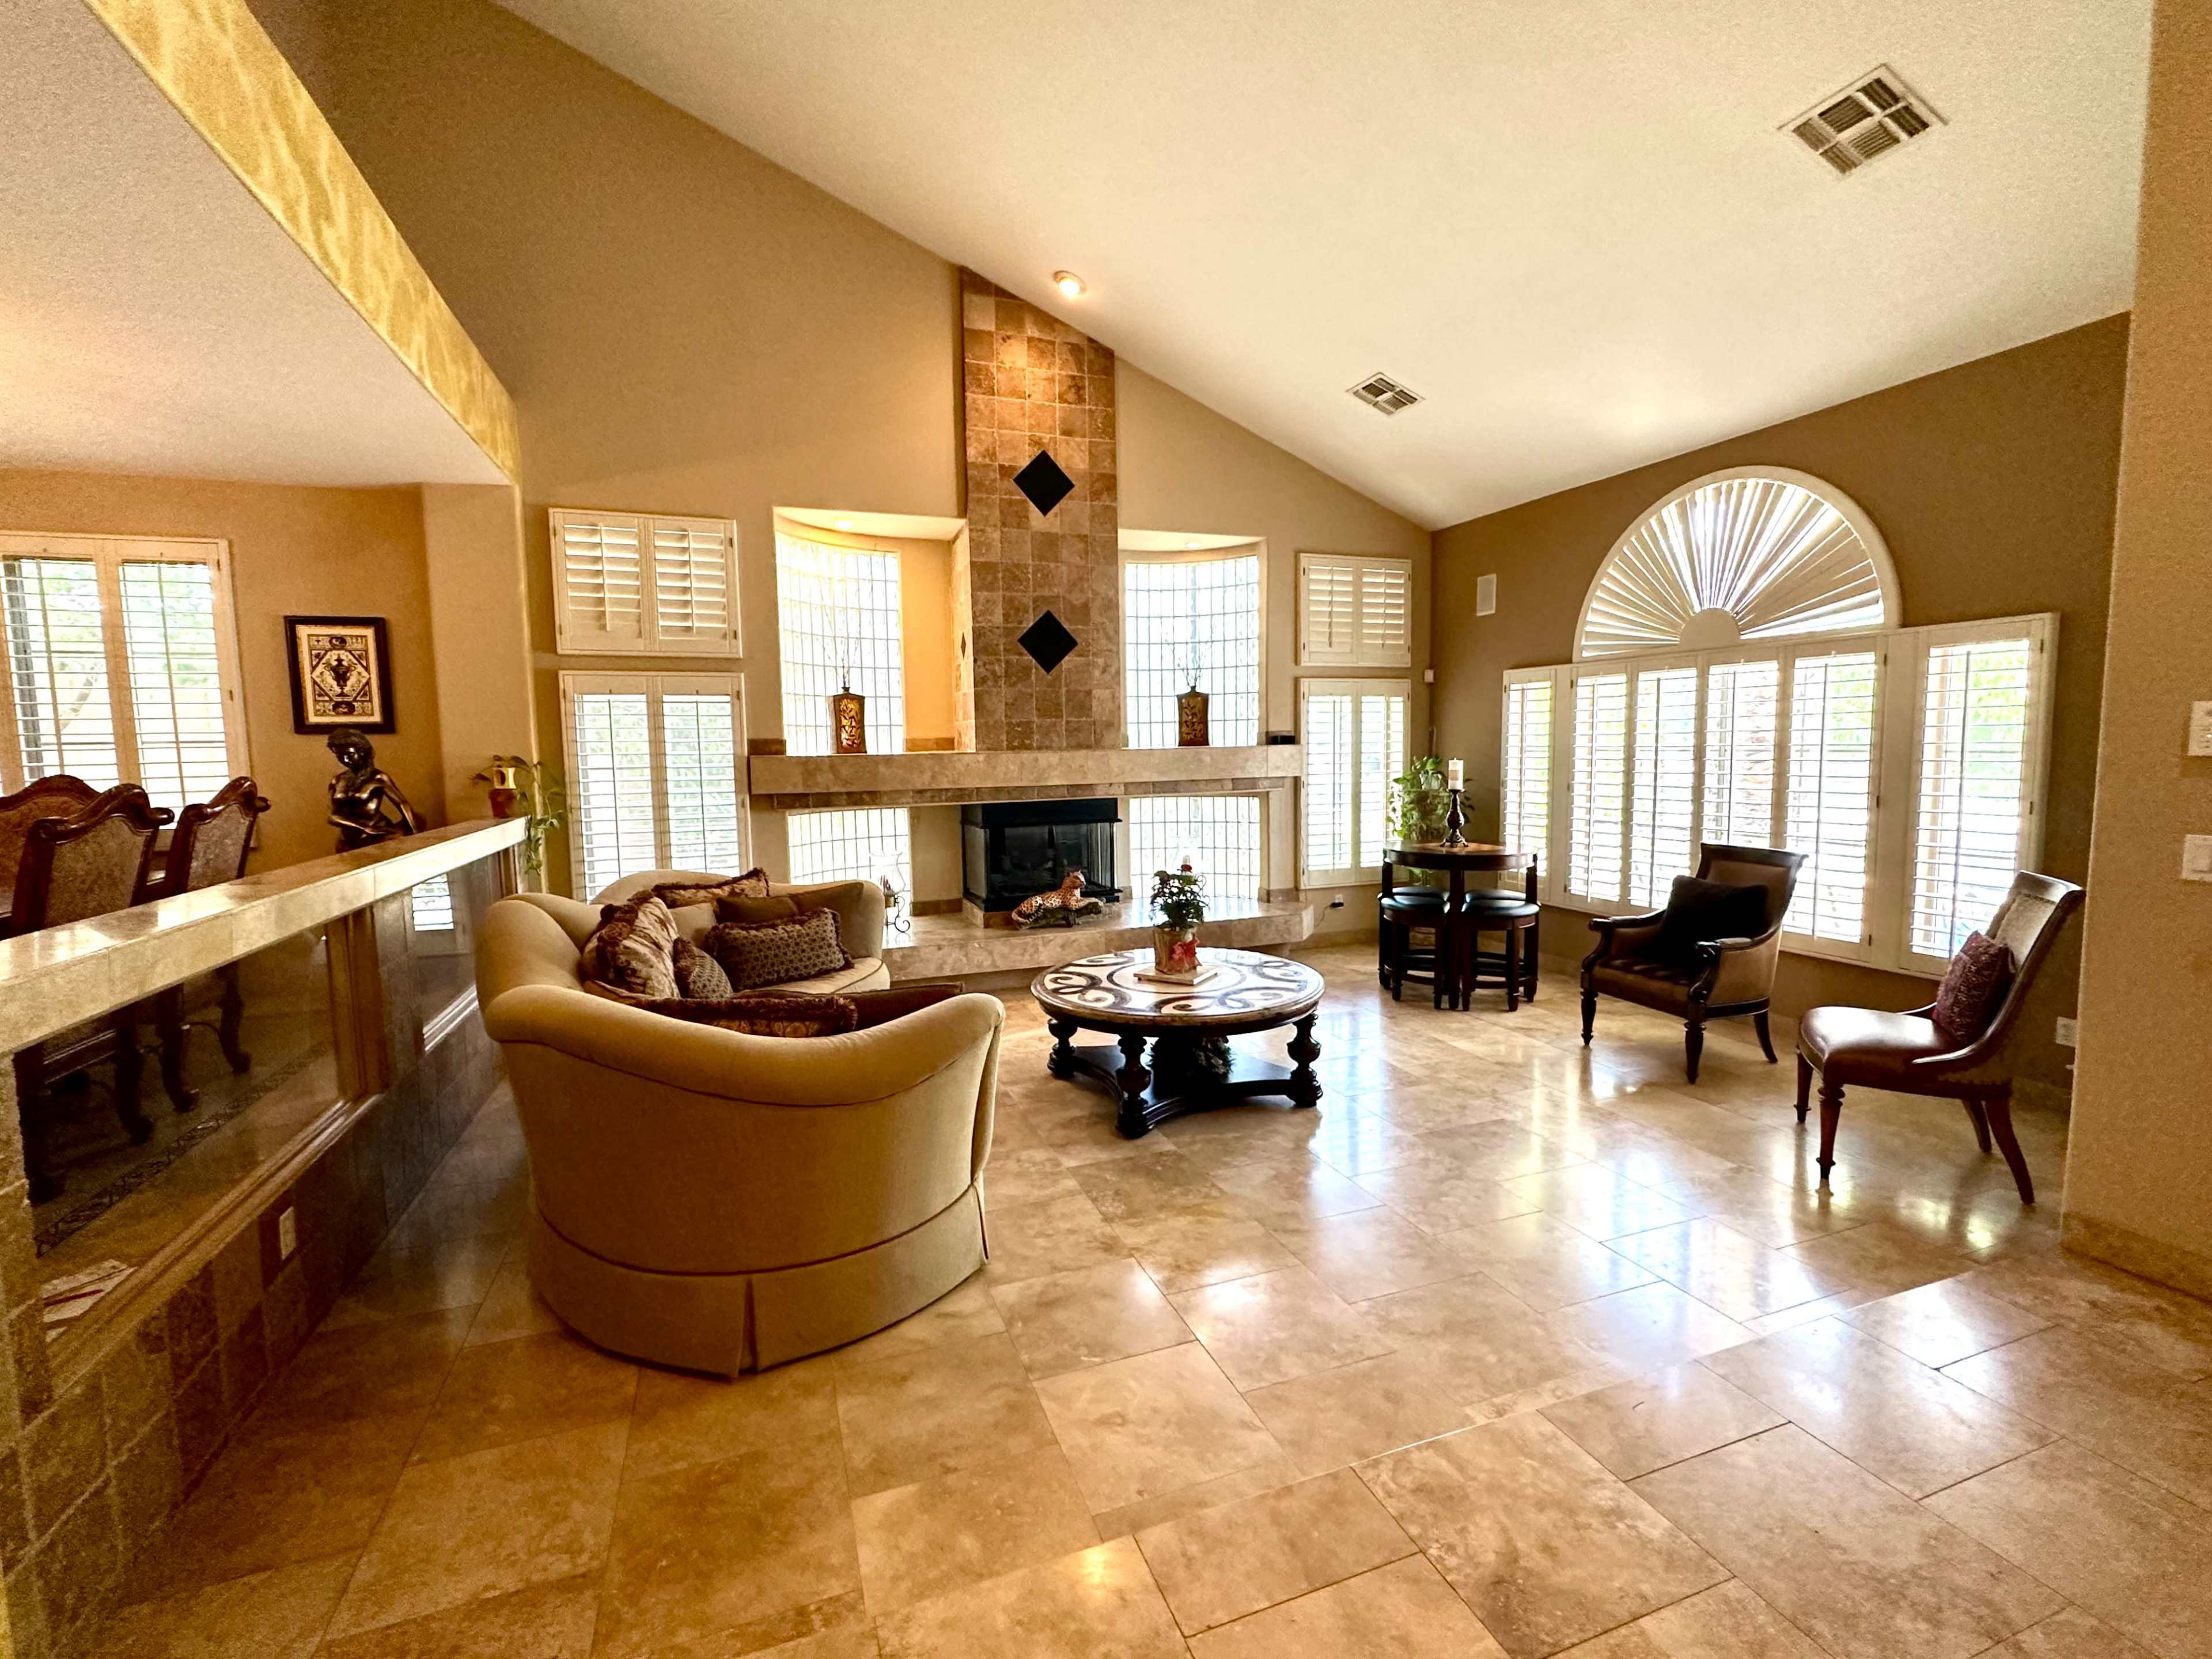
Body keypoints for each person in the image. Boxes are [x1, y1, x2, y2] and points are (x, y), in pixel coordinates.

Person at [325, 728, 421, 851]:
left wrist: (415, 833)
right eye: (339, 756)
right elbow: (332, 816)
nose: (345, 760)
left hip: (378, 835)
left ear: (362, 752)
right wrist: (364, 828)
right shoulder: (337, 780)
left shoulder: (378, 778)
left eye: (350, 755)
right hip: (348, 840)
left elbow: (402, 804)